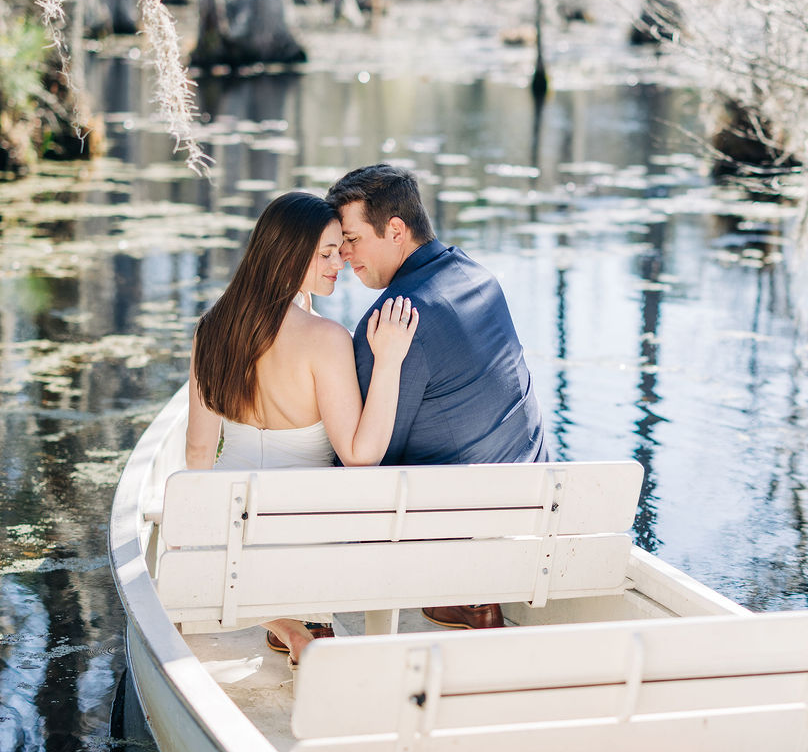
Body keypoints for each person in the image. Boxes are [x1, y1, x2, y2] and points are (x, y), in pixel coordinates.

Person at [185, 189, 419, 662]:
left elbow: (196, 454)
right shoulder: (326, 339)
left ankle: (281, 623)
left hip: (235, 532)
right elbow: (360, 453)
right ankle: (297, 623)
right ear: (290, 257)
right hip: (307, 535)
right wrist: (389, 359)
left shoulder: (212, 328)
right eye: (327, 253)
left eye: (342, 248)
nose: (341, 262)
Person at [328, 162, 548, 630]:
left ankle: (467, 598)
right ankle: (473, 598)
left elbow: (367, 458)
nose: (345, 255)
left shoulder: (394, 320)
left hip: (458, 533)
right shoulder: (479, 277)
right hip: (530, 508)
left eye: (352, 238)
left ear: (394, 229)